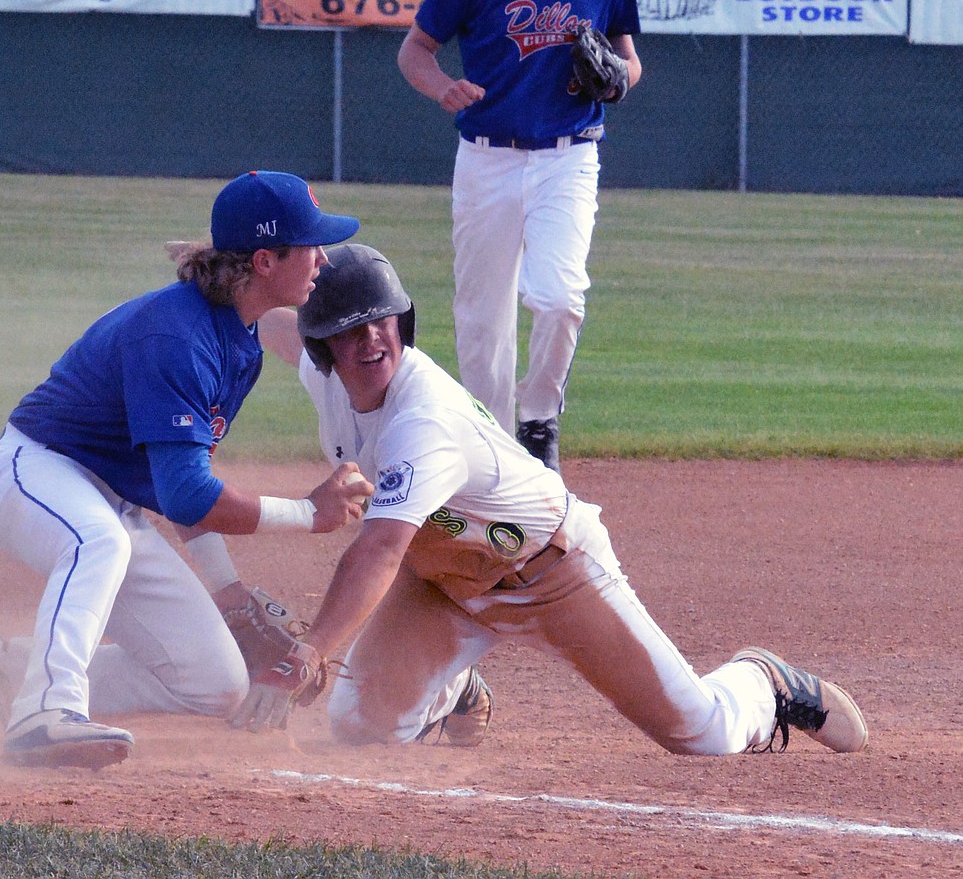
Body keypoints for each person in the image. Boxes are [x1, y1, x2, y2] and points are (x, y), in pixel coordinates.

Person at [233, 244, 869, 761]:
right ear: (326, 349)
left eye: (383, 320)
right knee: (362, 730)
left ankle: (766, 682)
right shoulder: (326, 378)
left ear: (403, 321)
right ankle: (453, 689)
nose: (372, 339)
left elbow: (377, 551)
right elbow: (267, 317)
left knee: (700, 732)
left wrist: (309, 652)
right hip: (444, 578)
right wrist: (219, 273)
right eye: (349, 330)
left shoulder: (421, 420)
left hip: (551, 572)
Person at [0, 170, 371, 770]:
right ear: (264, 260)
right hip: (35, 473)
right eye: (310, 245)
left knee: (215, 681)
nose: (321, 259)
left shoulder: (239, 339)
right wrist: (310, 515)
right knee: (97, 541)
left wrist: (226, 588)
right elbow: (186, 494)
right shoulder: (176, 335)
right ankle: (42, 712)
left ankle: (17, 671)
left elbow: (177, 478)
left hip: (107, 501)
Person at [397, 0, 643, 472]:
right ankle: (491, 450)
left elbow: (629, 63)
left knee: (560, 297)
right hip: (488, 158)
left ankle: (538, 418)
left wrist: (617, 76)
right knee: (482, 320)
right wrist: (442, 87)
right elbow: (414, 51)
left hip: (570, 155)